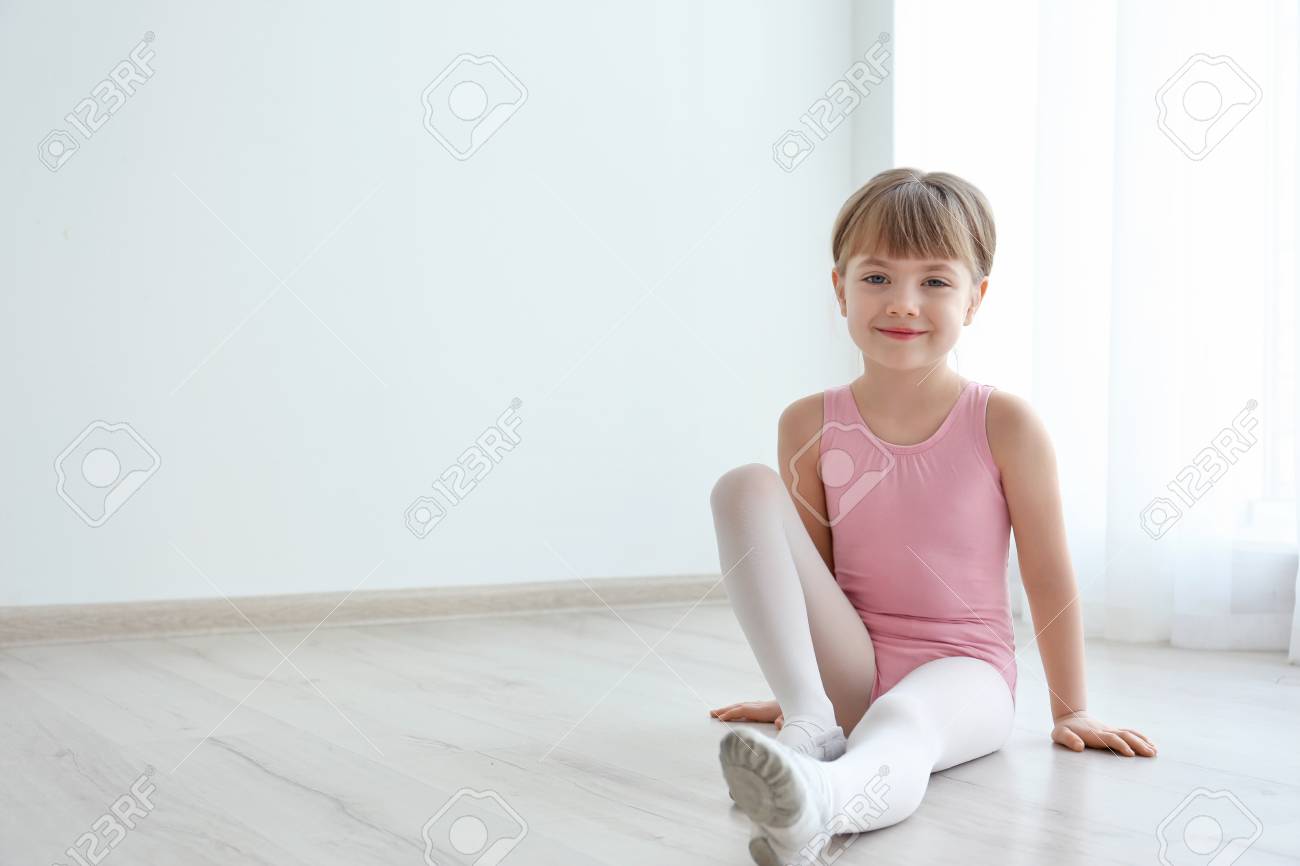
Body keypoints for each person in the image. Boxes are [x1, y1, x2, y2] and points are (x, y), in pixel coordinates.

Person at [707, 168, 1157, 866]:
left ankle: (817, 806)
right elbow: (809, 573)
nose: (903, 304)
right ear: (840, 289)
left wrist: (1069, 709)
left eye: (935, 282)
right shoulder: (809, 422)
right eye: (877, 279)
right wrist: (797, 684)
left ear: (976, 298)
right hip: (850, 666)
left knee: (903, 721)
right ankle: (809, 725)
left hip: (962, 673)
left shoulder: (1004, 422)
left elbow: (1046, 572)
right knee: (742, 488)